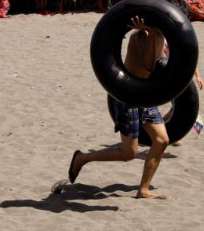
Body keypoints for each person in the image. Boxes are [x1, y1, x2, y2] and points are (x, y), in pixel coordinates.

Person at [67, 16, 172, 199]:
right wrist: (152, 35)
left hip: (146, 96)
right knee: (129, 153)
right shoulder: (139, 36)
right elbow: (148, 66)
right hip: (128, 95)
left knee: (162, 141)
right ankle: (82, 158)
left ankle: (143, 190)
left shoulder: (162, 36)